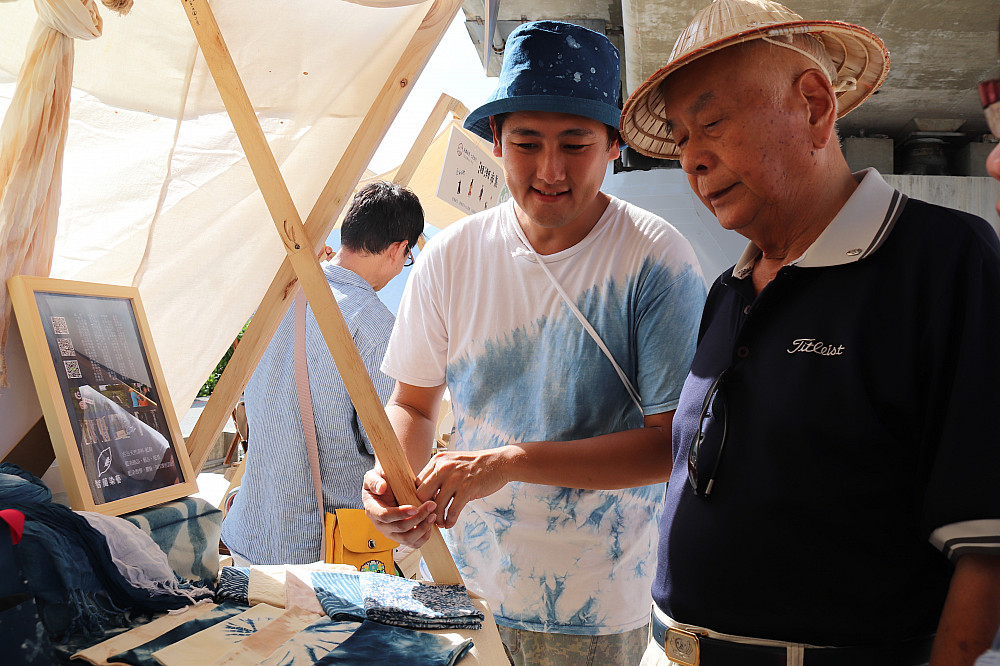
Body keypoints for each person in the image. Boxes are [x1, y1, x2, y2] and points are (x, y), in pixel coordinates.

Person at [618, 1, 1000, 664]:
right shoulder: (729, 292)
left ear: (816, 106)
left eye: (710, 123)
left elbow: (987, 545)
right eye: (681, 139)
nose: (694, 161)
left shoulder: (942, 261)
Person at [362, 20, 707, 665]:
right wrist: (392, 480)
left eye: (575, 144)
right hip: (458, 590)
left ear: (612, 146)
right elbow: (413, 403)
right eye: (527, 142)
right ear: (495, 141)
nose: (550, 170)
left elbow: (671, 445)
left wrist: (509, 461)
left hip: (595, 607)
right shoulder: (450, 257)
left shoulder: (656, 259)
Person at [221, 180, 423, 566]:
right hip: (321, 554)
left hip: (250, 534)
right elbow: (389, 452)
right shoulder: (378, 328)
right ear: (399, 250)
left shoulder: (280, 295)